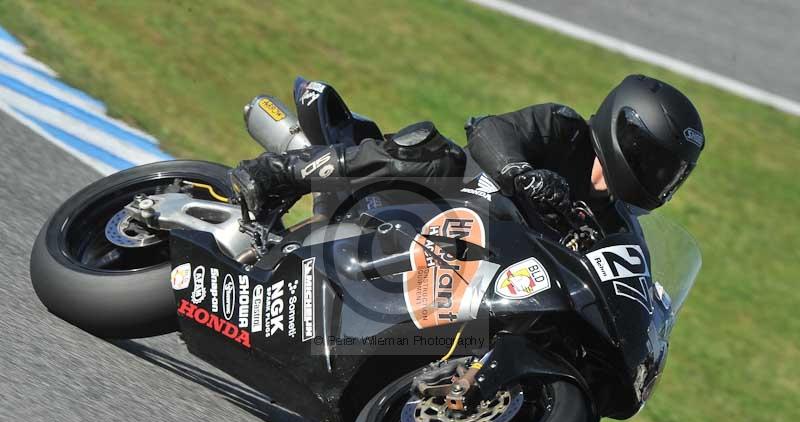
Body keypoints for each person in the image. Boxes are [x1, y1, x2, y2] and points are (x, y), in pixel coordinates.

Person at [229, 74, 705, 224]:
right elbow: (490, 132)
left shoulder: (615, 218)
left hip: (467, 269)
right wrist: (521, 174)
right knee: (436, 152)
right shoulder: (563, 129)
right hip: (432, 204)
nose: (659, 179)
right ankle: (280, 171)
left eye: (671, 174)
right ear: (627, 136)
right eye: (657, 164)